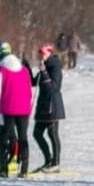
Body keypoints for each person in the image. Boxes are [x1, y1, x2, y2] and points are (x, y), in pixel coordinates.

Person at [0, 42, 33, 178]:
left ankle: (4, 169)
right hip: (24, 109)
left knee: (4, 138)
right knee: (23, 138)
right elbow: (29, 91)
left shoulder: (0, 70)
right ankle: (24, 169)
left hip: (7, 110)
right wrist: (29, 107)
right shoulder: (24, 70)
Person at [32, 45, 65, 173]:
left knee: (52, 134)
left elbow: (53, 87)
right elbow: (33, 82)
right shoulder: (44, 66)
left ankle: (56, 163)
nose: (41, 56)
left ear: (49, 54)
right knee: (37, 134)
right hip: (42, 107)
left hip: (53, 107)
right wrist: (26, 68)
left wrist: (44, 72)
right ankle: (48, 160)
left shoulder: (55, 66)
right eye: (40, 54)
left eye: (43, 54)